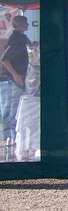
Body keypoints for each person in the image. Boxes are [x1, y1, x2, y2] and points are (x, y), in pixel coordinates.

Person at [0, 15, 30, 147]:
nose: (28, 25)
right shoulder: (17, 39)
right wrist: (16, 75)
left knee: (11, 110)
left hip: (13, 79)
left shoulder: (20, 38)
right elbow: (5, 59)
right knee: (12, 110)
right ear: (19, 25)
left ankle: (9, 139)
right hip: (13, 80)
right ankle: (9, 139)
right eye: (25, 23)